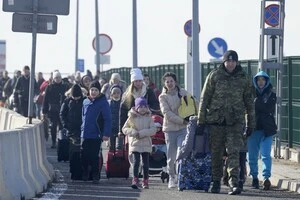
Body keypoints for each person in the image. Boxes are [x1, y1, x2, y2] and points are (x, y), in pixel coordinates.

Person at [197, 50, 255, 195]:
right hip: (216, 121)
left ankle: (234, 182)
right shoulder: (214, 76)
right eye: (228, 61)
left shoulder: (243, 78)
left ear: (237, 62)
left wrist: (250, 124)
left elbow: (249, 102)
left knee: (233, 152)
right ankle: (216, 182)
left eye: (233, 61)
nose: (230, 64)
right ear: (224, 62)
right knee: (216, 153)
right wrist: (201, 120)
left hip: (235, 122)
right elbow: (205, 99)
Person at [158, 72, 189, 189]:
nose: (170, 83)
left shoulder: (183, 92)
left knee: (182, 151)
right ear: (165, 84)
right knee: (171, 156)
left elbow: (192, 104)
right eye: (167, 82)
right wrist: (182, 120)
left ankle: (182, 176)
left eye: (171, 81)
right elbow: (167, 114)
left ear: (175, 82)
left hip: (183, 129)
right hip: (170, 129)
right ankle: (172, 176)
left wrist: (189, 118)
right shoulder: (162, 97)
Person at [247, 71, 277, 190]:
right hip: (253, 129)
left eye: (263, 80)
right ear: (255, 81)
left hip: (266, 130)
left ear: (266, 81)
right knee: (252, 156)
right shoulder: (250, 94)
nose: (261, 82)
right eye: (258, 80)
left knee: (265, 155)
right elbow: (249, 108)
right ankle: (254, 177)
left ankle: (266, 177)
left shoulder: (271, 94)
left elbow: (268, 108)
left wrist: (256, 104)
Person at [81, 80, 112, 184]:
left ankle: (95, 175)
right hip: (85, 134)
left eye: (96, 90)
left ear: (99, 91)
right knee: (84, 155)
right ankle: (85, 173)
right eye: (92, 90)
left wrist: (106, 133)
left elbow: (108, 118)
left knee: (94, 156)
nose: (93, 92)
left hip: (96, 134)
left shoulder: (103, 102)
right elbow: (83, 117)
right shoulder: (85, 101)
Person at [122, 97, 156, 189]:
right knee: (136, 162)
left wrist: (142, 133)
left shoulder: (149, 118)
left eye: (145, 106)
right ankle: (135, 179)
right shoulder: (131, 118)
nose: (143, 108)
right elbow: (124, 129)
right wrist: (133, 132)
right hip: (135, 143)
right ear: (136, 107)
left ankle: (145, 180)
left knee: (146, 163)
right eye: (141, 106)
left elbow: (153, 130)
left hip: (145, 143)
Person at [119, 68, 160, 137]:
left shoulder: (148, 91)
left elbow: (155, 105)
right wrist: (121, 130)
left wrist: (146, 109)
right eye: (136, 81)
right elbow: (123, 111)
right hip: (133, 125)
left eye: (139, 81)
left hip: (146, 123)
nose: (138, 83)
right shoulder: (128, 94)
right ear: (132, 82)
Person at [60, 84, 85, 180]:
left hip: (82, 130)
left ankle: (81, 172)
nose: (76, 98)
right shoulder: (67, 101)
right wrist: (66, 125)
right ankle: (73, 172)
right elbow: (62, 114)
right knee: (73, 152)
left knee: (82, 152)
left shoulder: (85, 101)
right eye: (74, 97)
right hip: (71, 131)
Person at [42, 71, 68, 148]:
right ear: (54, 78)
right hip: (52, 110)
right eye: (56, 77)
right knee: (53, 126)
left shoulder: (65, 86)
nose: (58, 79)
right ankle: (54, 141)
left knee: (62, 127)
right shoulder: (49, 87)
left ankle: (61, 142)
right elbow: (45, 100)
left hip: (63, 110)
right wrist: (44, 111)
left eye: (59, 77)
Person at [108, 84, 123, 151]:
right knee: (111, 145)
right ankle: (111, 157)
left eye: (118, 93)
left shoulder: (122, 103)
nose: (116, 95)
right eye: (114, 93)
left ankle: (120, 157)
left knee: (120, 146)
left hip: (120, 126)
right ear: (111, 94)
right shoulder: (109, 103)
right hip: (111, 126)